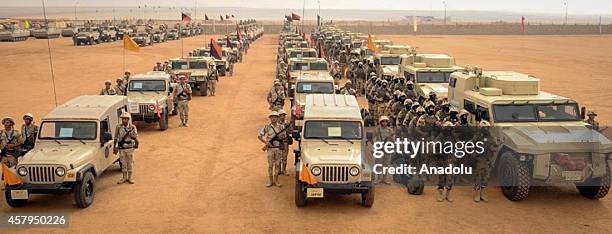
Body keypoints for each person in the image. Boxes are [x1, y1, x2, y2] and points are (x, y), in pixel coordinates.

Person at [471, 120, 498, 202]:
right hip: (480, 159)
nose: (486, 129)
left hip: (488, 160)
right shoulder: (477, 136)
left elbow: (495, 147)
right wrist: (474, 154)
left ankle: (482, 193)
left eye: (487, 127)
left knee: (486, 177)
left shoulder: (491, 137)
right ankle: (477, 194)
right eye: (485, 127)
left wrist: (493, 148)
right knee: (478, 176)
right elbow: (470, 144)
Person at [258, 111, 287, 187]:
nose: (273, 118)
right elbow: (259, 136)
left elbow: (284, 137)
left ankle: (276, 181)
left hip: (278, 148)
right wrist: (266, 143)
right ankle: (270, 181)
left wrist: (281, 137)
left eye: (275, 117)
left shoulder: (281, 127)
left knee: (277, 165)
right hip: (270, 149)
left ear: (277, 118)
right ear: (270, 118)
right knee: (270, 165)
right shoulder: (266, 127)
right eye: (272, 117)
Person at [435, 121, 457, 202]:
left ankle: (448, 194)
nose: (449, 130)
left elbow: (457, 146)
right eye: (447, 128)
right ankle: (441, 194)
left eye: (450, 128)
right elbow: (435, 146)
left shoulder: (453, 137)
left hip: (450, 158)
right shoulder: (440, 136)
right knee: (441, 176)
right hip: (442, 158)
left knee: (450, 176)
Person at [114, 112, 139, 184]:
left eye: (125, 119)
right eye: (123, 119)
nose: (124, 120)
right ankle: (124, 177)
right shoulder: (118, 127)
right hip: (122, 148)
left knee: (130, 163)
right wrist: (114, 147)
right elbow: (116, 138)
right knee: (123, 163)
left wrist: (133, 138)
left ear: (128, 119)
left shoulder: (132, 127)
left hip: (130, 148)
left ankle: (130, 177)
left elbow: (136, 137)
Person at [374, 116, 394, 184]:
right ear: (380, 122)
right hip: (379, 148)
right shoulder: (377, 130)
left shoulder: (390, 130)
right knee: (378, 163)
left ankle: (385, 179)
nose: (384, 123)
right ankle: (379, 178)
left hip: (387, 149)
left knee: (386, 164)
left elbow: (393, 140)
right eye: (383, 121)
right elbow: (373, 138)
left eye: (386, 121)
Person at [277, 110, 292, 176]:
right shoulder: (276, 125)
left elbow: (291, 131)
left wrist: (287, 130)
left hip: (285, 142)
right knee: (278, 157)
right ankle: (279, 170)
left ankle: (284, 170)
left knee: (284, 157)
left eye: (283, 115)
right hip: (278, 143)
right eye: (281, 115)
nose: (282, 116)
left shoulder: (287, 124)